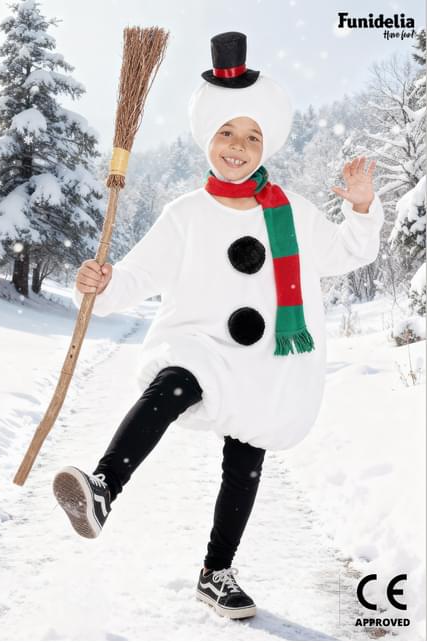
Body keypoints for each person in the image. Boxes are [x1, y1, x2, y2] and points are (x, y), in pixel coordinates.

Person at [53, 31, 384, 620]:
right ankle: (102, 489)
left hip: (265, 360)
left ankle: (217, 571)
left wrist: (361, 207)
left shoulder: (293, 212)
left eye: (252, 136)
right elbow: (135, 277)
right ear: (208, 139)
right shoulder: (185, 215)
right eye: (227, 133)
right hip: (200, 344)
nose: (238, 146)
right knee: (175, 380)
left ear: (266, 146)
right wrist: (101, 284)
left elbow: (348, 253)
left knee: (245, 459)